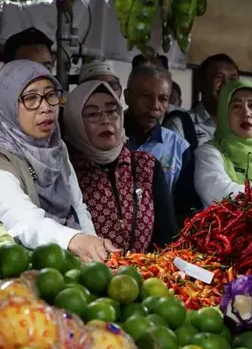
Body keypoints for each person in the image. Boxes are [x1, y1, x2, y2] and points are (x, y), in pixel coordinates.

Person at [0, 60, 112, 261]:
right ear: (6, 105)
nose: (45, 107)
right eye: (31, 98)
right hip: (18, 278)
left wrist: (92, 244)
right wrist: (76, 240)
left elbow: (78, 206)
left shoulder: (56, 147)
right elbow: (24, 222)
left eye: (50, 94)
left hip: (69, 271)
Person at [64, 79, 179, 252]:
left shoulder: (146, 166)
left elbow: (168, 238)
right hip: (89, 275)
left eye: (112, 111)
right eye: (92, 114)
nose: (106, 120)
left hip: (147, 274)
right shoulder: (68, 171)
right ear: (74, 121)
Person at [124, 65, 199, 217]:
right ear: (127, 96)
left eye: (163, 99)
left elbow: (184, 208)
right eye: (146, 96)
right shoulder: (108, 138)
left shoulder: (178, 148)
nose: (154, 106)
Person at [190, 53, 239, 146]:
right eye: (219, 77)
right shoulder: (183, 124)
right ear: (200, 84)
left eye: (233, 79)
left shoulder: (245, 125)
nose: (227, 84)